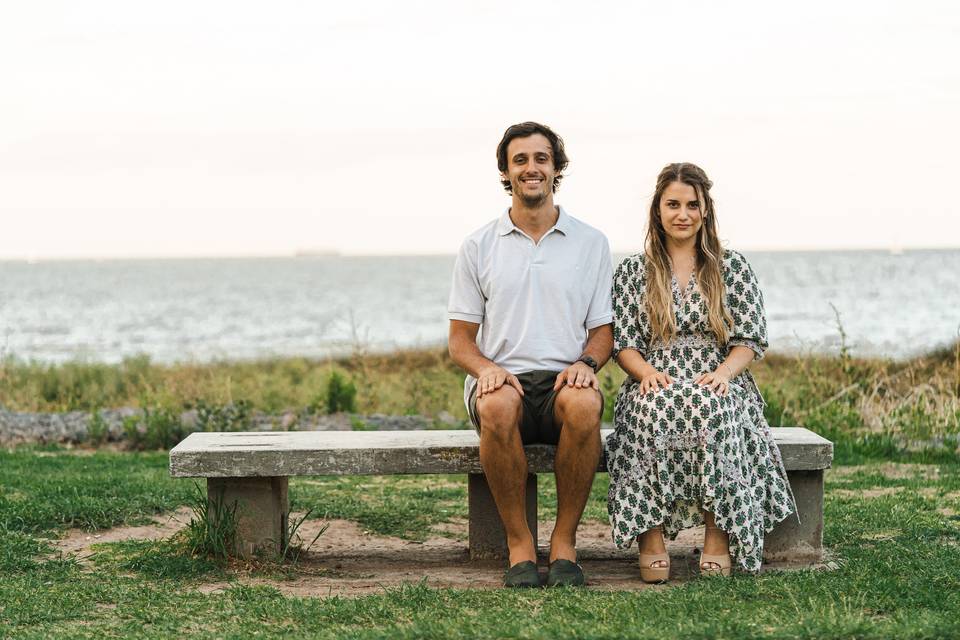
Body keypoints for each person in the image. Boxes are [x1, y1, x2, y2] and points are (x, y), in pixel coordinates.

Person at [605, 162, 795, 581]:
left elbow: (749, 339)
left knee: (714, 409)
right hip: (655, 372)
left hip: (718, 372)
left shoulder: (732, 267)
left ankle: (717, 536)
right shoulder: (634, 271)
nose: (683, 214)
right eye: (673, 204)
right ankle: (649, 538)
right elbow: (625, 344)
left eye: (692, 204)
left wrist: (725, 373)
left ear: (706, 209)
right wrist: (645, 375)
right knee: (646, 411)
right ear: (658, 210)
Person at [447, 122, 613, 588]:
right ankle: (519, 545)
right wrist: (486, 369)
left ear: (556, 168)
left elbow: (603, 332)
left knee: (585, 405)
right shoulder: (478, 245)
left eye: (541, 158)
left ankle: (564, 544)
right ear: (505, 170)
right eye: (520, 160)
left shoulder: (591, 242)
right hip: (507, 382)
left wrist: (585, 364)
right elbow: (460, 340)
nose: (531, 168)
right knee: (496, 404)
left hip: (564, 382)